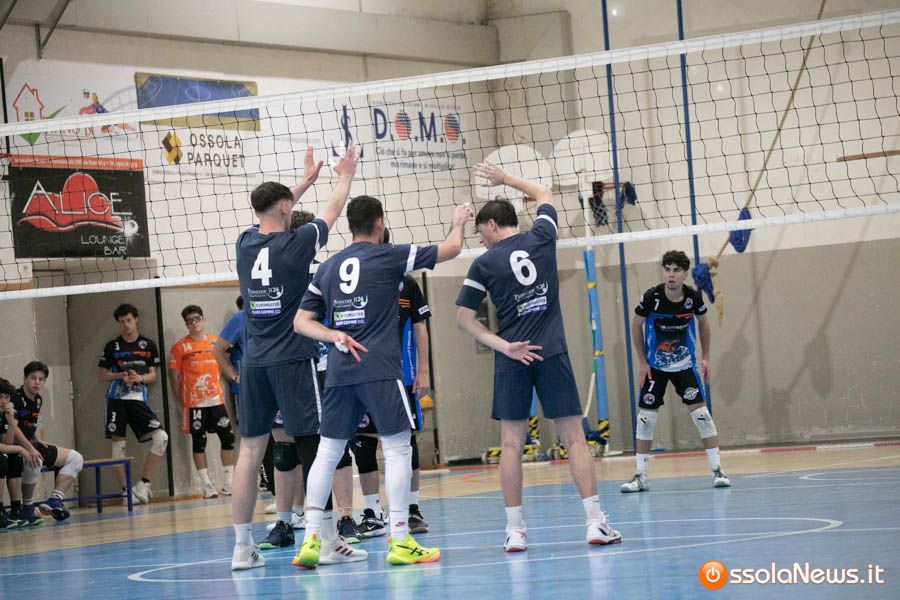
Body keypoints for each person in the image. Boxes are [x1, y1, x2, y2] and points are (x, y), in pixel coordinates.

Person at [293, 194, 472, 568]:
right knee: (397, 448)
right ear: (379, 222)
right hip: (378, 370)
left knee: (328, 452)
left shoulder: (329, 267)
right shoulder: (390, 256)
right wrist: (459, 219)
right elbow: (453, 248)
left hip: (339, 372)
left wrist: (334, 335)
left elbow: (301, 322)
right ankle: (401, 539)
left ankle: (311, 539)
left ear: (349, 226)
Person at [455, 162, 622, 552]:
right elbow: (545, 193)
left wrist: (503, 346)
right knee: (574, 438)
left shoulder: (484, 263)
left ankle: (515, 531)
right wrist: (505, 179)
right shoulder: (543, 237)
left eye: (480, 232)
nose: (480, 240)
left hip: (511, 357)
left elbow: (463, 319)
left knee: (511, 443)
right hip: (551, 350)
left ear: (492, 224)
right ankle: (594, 523)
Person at [231, 144, 361, 571]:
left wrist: (303, 182)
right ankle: (325, 539)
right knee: (313, 446)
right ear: (286, 208)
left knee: (250, 453)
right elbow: (333, 209)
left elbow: (275, 211)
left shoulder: (245, 243)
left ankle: (242, 548)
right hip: (292, 358)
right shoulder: (298, 243)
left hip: (253, 362)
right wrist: (344, 174)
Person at [621, 250, 730, 493]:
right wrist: (642, 361)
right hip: (655, 368)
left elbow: (704, 324)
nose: (671, 275)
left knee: (702, 417)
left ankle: (717, 470)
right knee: (645, 419)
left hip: (684, 367)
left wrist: (705, 357)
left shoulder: (693, 298)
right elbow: (636, 325)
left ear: (684, 274)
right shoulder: (652, 297)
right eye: (667, 269)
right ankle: (640, 476)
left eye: (676, 270)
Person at [352, 228, 432, 538]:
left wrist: (423, 370)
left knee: (405, 442)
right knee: (363, 442)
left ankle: (411, 509)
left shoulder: (406, 283)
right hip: (363, 376)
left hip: (402, 376)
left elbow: (420, 327)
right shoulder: (354, 280)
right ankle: (372, 512)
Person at [98, 303, 169, 505]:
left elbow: (153, 376)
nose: (126, 325)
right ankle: (126, 492)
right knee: (118, 448)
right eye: (122, 322)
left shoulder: (148, 345)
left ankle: (143, 485)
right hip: (116, 400)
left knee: (161, 438)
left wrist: (139, 378)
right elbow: (102, 375)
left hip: (138, 400)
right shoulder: (112, 346)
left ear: (135, 319)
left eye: (129, 320)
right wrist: (120, 375)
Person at [169, 305, 236, 499]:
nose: (194, 323)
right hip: (195, 405)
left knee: (228, 439)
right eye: (190, 321)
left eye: (197, 319)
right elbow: (174, 377)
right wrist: (182, 402)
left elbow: (226, 364)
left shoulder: (215, 343)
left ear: (203, 320)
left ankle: (228, 484)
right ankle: (207, 485)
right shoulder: (180, 347)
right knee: (199, 443)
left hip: (216, 402)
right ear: (186, 324)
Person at [10, 361, 85, 522]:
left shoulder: (38, 399)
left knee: (76, 458)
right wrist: (31, 448)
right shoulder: (16, 398)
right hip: (16, 447)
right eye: (33, 378)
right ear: (25, 378)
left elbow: (30, 424)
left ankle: (54, 500)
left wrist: (37, 439)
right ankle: (28, 506)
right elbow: (14, 429)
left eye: (41, 379)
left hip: (31, 444)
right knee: (35, 460)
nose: (37, 382)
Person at [0, 377, 41, 528]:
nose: (4, 401)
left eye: (7, 397)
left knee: (13, 457)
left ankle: (16, 509)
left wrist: (11, 422)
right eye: (0, 397)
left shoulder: (3, 415)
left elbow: (7, 443)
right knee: (1, 458)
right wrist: (21, 448)